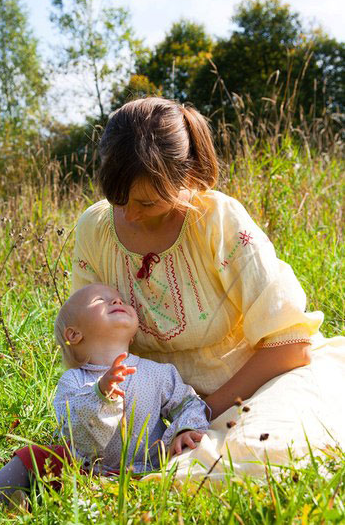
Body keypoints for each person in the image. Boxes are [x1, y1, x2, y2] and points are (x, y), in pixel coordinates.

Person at [71, 96, 345, 480]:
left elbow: (291, 345)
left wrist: (202, 412)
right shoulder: (95, 228)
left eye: (148, 202)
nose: (130, 214)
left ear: (184, 178)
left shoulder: (217, 220)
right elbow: (84, 339)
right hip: (154, 407)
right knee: (89, 457)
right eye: (119, 199)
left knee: (259, 451)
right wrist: (105, 411)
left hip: (252, 389)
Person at [0, 283, 210, 511]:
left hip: (147, 473)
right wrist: (100, 394)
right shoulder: (74, 380)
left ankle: (31, 501)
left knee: (189, 467)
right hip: (83, 472)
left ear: (131, 336)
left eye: (120, 300)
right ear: (74, 334)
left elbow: (188, 402)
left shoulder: (158, 372)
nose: (117, 301)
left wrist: (184, 430)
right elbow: (73, 432)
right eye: (101, 300)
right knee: (36, 456)